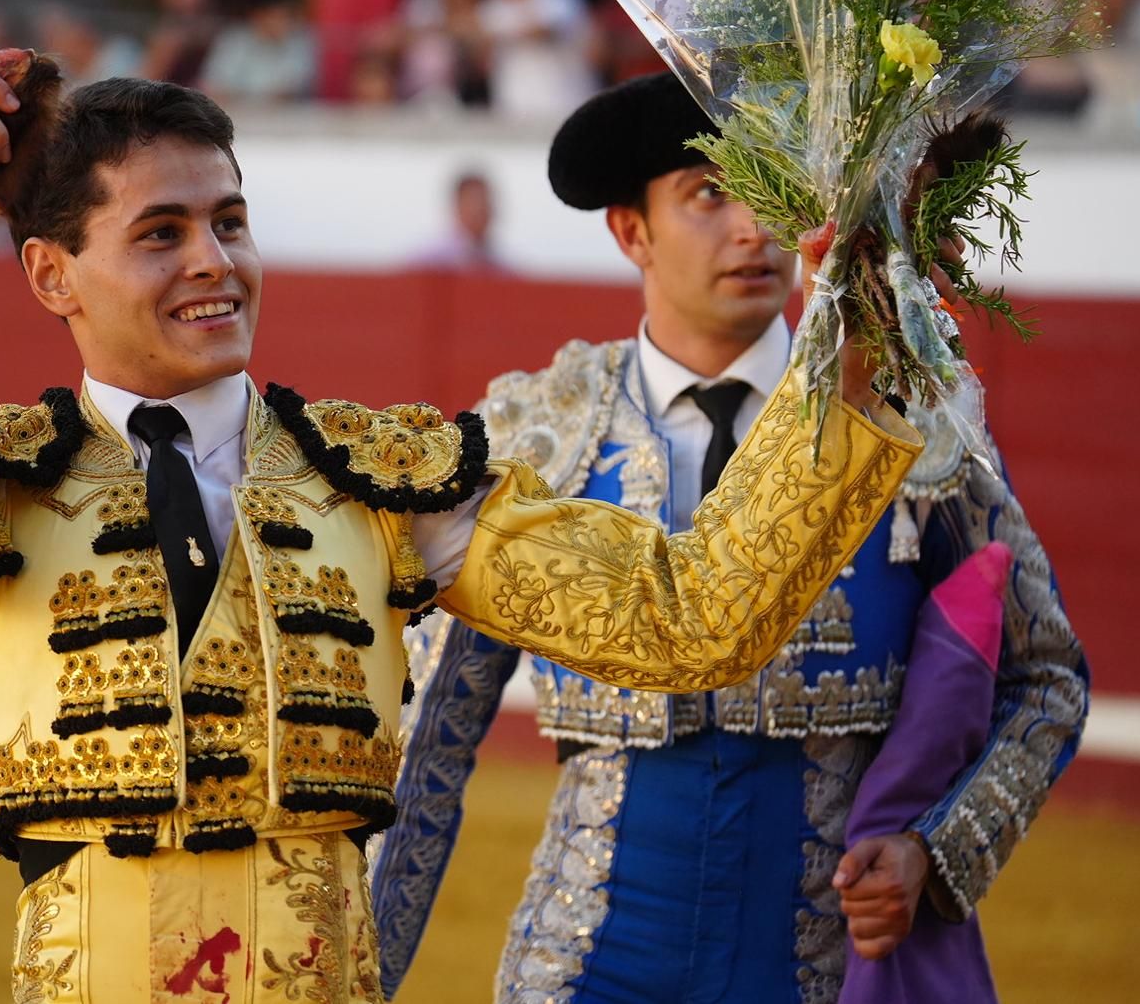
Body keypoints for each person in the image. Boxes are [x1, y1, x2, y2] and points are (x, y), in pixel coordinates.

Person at [0, 38, 921, 1003]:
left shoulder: (381, 482)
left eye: (230, 220)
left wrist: (850, 366)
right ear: (55, 276)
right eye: (161, 232)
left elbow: (686, 619)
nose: (215, 261)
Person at [371, 73, 1087, 1002]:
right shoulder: (535, 430)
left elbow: (1045, 677)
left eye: (772, 192)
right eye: (710, 194)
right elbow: (422, 746)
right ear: (632, 231)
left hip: (821, 974)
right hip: (586, 970)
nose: (752, 228)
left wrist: (935, 850)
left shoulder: (907, 414)